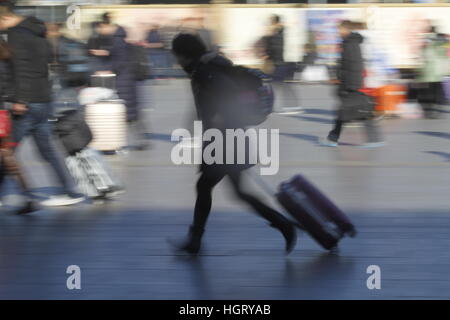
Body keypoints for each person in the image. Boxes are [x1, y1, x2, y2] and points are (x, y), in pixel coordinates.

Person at [169, 33, 296, 255]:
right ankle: (282, 224)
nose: (177, 61)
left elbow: (226, 93)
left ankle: (195, 240)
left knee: (207, 187)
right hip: (228, 136)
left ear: (185, 55)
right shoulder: (208, 67)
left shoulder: (206, 71)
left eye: (178, 56)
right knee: (232, 191)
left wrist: (219, 118)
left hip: (225, 138)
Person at [0, 2, 84, 206]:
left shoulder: (15, 35)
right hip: (44, 100)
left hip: (26, 105)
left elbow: (21, 70)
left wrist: (20, 100)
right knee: (46, 150)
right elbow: (44, 65)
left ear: (4, 18)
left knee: (6, 150)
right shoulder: (38, 32)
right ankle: (70, 191)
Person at [320, 20, 383, 148]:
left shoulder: (350, 43)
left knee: (346, 112)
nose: (338, 33)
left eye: (339, 30)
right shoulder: (350, 42)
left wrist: (347, 83)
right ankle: (373, 139)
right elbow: (346, 65)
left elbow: (353, 65)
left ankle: (333, 138)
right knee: (354, 112)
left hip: (351, 85)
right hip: (351, 83)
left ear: (345, 30)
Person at [96, 14, 150, 150]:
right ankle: (141, 141)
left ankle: (117, 143)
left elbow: (119, 62)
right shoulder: (123, 42)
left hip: (122, 82)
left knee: (124, 115)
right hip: (129, 82)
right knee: (131, 115)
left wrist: (107, 70)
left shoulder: (117, 43)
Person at [263, 14, 301, 113]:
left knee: (277, 85)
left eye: (271, 23)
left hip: (282, 63)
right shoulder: (278, 33)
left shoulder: (279, 33)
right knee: (281, 85)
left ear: (275, 23)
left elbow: (276, 47)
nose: (270, 25)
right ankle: (292, 106)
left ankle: (290, 106)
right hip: (281, 63)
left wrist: (268, 53)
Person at [416, 25, 449, 119]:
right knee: (436, 91)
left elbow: (423, 54)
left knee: (429, 91)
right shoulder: (439, 40)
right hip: (437, 71)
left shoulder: (427, 39)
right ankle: (435, 108)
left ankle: (430, 109)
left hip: (429, 72)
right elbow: (444, 52)